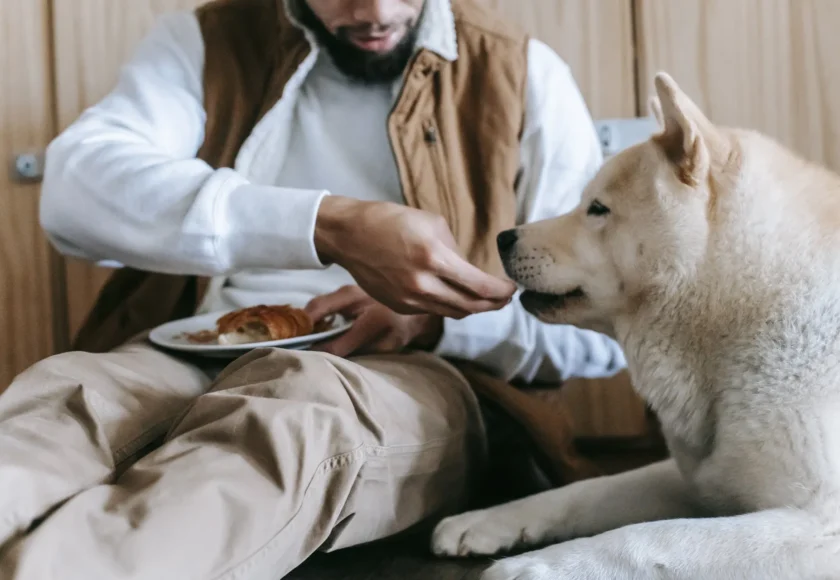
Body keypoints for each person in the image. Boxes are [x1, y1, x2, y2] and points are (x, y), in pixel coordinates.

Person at [0, 0, 625, 578]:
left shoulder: (521, 72)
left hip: (409, 371)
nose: (374, 11)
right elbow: (74, 189)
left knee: (294, 417)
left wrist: (436, 320)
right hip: (197, 343)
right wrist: (326, 226)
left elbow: (606, 331)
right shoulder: (209, 41)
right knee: (69, 399)